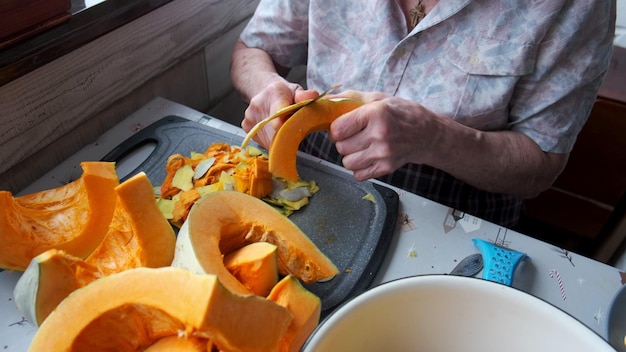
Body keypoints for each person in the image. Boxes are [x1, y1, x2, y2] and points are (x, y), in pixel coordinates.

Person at [230, 0, 616, 227]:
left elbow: (541, 165)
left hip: (460, 210)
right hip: (315, 180)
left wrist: (434, 136)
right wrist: (266, 89)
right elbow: (251, 51)